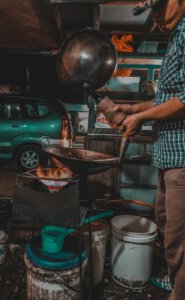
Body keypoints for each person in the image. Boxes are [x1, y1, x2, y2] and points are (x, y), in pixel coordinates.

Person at [98, 0, 185, 299]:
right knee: (165, 225)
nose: (156, 19)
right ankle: (176, 282)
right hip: (169, 156)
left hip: (183, 158)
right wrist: (133, 107)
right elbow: (170, 97)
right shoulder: (177, 35)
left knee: (179, 239)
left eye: (160, 9)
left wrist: (140, 117)